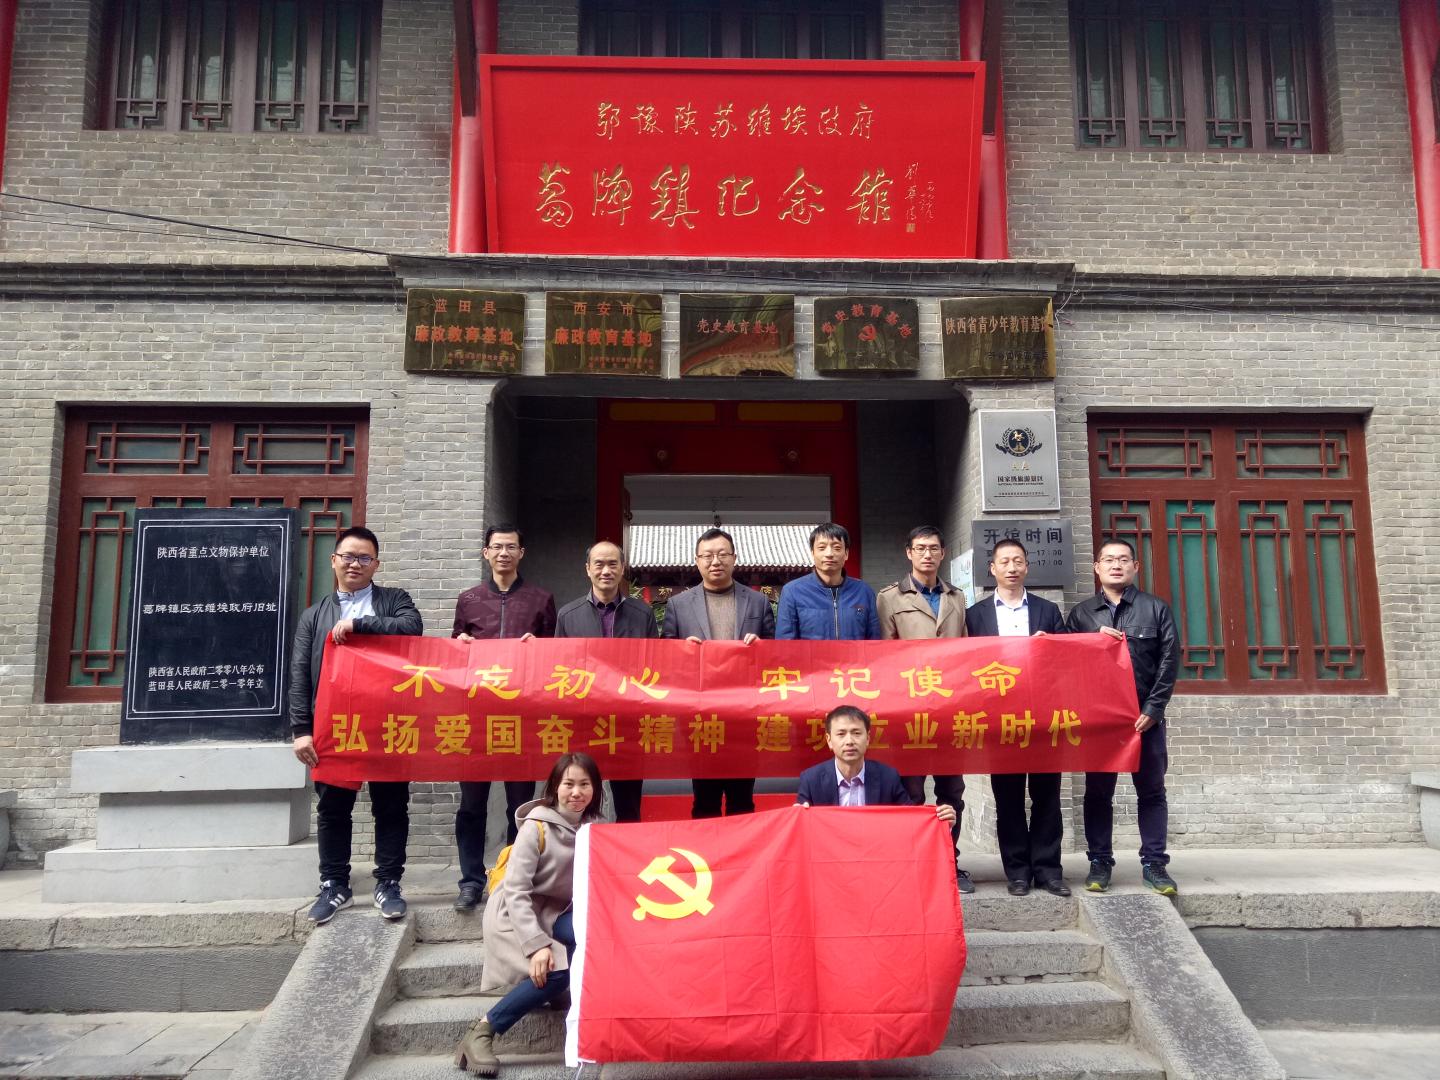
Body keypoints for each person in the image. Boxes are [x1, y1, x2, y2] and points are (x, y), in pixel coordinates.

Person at [289, 526, 423, 925]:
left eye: (364, 558)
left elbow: (411, 627)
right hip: (333, 726)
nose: (355, 564)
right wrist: (301, 729)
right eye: (348, 556)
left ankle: (388, 883)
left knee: (391, 806)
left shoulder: (394, 600)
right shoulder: (314, 616)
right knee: (333, 809)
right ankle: (334, 885)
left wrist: (360, 624)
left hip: (387, 722)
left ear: (376, 564)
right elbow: (300, 673)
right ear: (334, 560)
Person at [453, 753, 604, 1078]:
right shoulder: (536, 827)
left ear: (595, 789)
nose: (576, 792)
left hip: (554, 911)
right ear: (555, 787)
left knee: (590, 937)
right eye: (568, 784)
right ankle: (482, 1031)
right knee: (555, 971)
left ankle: (556, 992)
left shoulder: (592, 829)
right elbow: (517, 892)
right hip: (514, 914)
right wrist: (537, 946)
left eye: (584, 784)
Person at [450, 523, 558, 913]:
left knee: (521, 806)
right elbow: (454, 656)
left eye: (511, 547)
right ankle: (471, 880)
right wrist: (460, 644)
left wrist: (540, 648)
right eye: (496, 547)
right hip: (476, 719)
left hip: (520, 719)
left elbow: (555, 659)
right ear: (486, 553)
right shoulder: (468, 599)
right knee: (472, 805)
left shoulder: (541, 600)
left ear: (521, 553)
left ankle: (515, 878)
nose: (503, 553)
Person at [1066, 538, 1180, 896]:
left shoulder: (1155, 609)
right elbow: (1065, 662)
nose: (1116, 565)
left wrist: (1154, 709)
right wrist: (1091, 638)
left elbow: (1169, 661)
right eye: (1109, 560)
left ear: (1135, 567)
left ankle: (1155, 863)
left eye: (1123, 560)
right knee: (1098, 793)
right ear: (1097, 567)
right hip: (1101, 723)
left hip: (1145, 720)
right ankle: (1100, 861)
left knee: (1152, 791)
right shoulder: (1082, 615)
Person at [964, 538, 1071, 897]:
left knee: (1047, 796)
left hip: (1042, 717)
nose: (1011, 567)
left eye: (1018, 561)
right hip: (999, 719)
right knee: (1008, 798)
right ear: (992, 569)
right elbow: (967, 666)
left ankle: (1048, 870)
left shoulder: (1048, 611)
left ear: (1027, 567)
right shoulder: (975, 615)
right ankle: (1018, 871)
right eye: (1004, 561)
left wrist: (1049, 645)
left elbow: (1065, 662)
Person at [877, 526, 974, 893]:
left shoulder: (957, 597)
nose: (927, 554)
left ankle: (950, 861)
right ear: (909, 553)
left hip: (950, 709)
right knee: (911, 791)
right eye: (920, 548)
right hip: (909, 710)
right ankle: (915, 863)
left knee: (952, 791)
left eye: (933, 548)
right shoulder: (889, 597)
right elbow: (882, 654)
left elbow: (966, 649)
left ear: (943, 553)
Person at [662, 527, 775, 818]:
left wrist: (762, 647)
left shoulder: (758, 602)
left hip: (745, 714)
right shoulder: (678, 605)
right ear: (697, 560)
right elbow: (665, 657)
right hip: (700, 714)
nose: (716, 561)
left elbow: (776, 655)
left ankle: (743, 848)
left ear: (734, 558)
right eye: (708, 555)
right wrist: (681, 651)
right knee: (705, 800)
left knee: (742, 800)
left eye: (723, 554)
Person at [555, 541, 658, 822]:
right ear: (588, 569)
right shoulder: (568, 615)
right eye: (599, 564)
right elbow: (560, 669)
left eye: (613, 564)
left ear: (622, 569)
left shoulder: (643, 614)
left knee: (629, 804)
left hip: (629, 723)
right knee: (582, 799)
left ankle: (625, 850)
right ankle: (582, 849)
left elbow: (654, 667)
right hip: (585, 722)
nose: (606, 570)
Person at [797, 706, 955, 825]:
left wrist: (941, 822)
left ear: (867, 739)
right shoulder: (811, 780)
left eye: (856, 733)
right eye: (841, 734)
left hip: (875, 855)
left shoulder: (888, 777)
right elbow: (803, 831)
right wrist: (796, 817)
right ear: (829, 740)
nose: (849, 741)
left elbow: (911, 819)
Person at [776, 522, 880, 640]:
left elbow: (874, 641)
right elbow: (785, 643)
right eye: (822, 548)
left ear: (846, 554)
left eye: (837, 548)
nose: (829, 554)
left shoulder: (864, 592)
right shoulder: (792, 592)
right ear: (812, 553)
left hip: (854, 653)